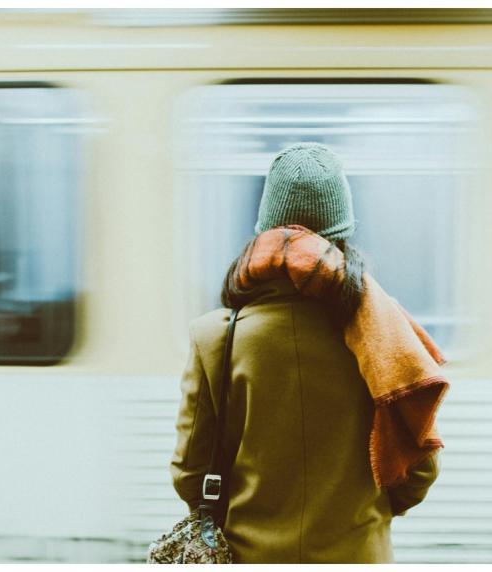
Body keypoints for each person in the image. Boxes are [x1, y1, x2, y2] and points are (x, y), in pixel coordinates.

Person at [170, 142, 447, 563]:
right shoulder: (381, 334)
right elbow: (418, 468)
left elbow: (191, 472)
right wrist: (366, 514)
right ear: (342, 234)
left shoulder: (214, 339)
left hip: (251, 558)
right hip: (358, 555)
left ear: (265, 232)